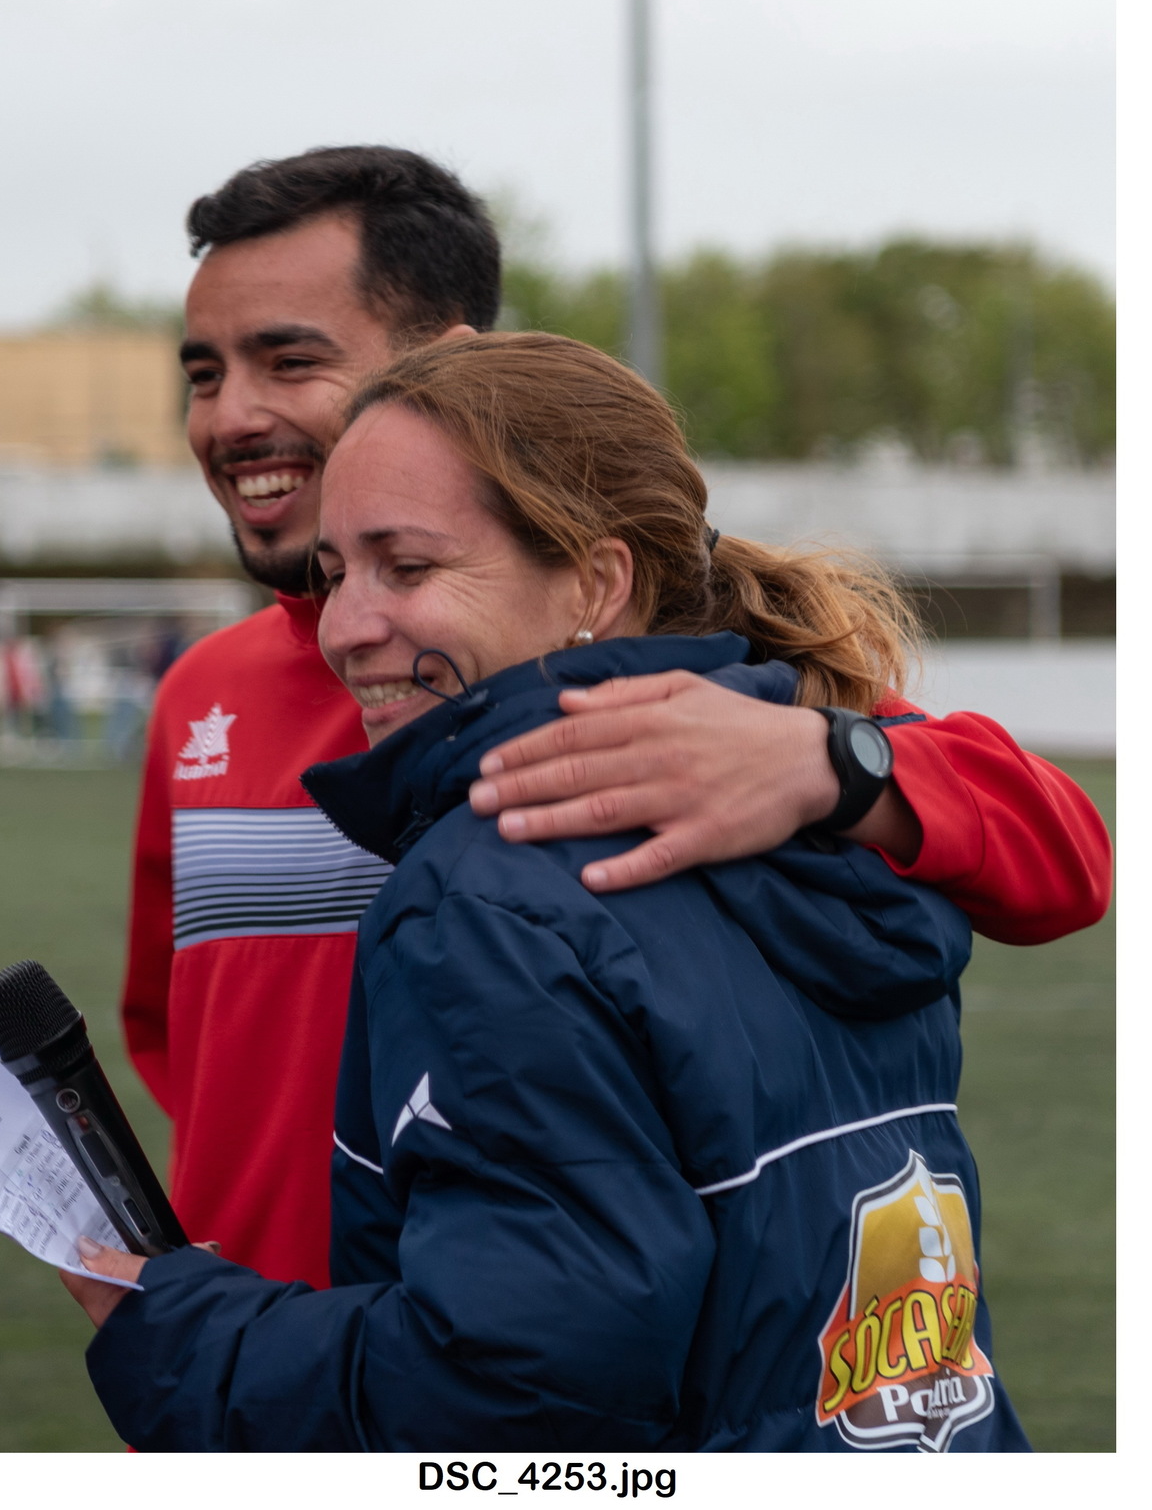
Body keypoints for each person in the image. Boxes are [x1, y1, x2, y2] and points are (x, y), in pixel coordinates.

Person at [125, 144, 1112, 1291]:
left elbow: (1067, 860)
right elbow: (176, 1041)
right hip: (246, 1373)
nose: (232, 416)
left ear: (449, 364)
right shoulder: (199, 695)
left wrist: (824, 760)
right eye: (204, 375)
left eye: (289, 360)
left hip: (480, 1367)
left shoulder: (660, 686)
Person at [71, 335, 1030, 1453]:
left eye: (407, 567)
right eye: (334, 573)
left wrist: (189, 1336)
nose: (343, 628)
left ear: (595, 585)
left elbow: (520, 1397)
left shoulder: (489, 894)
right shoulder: (836, 793)